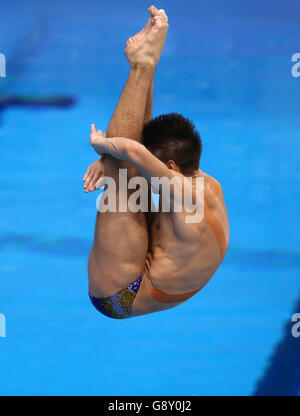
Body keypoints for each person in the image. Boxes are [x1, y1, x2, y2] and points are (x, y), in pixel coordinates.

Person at [83, 5, 230, 319]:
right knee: (125, 166)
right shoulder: (202, 181)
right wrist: (110, 154)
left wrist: (104, 148)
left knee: (122, 174)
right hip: (161, 265)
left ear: (172, 167)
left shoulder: (188, 198)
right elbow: (140, 153)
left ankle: (144, 66)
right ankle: (145, 66)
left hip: (123, 294)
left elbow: (134, 153)